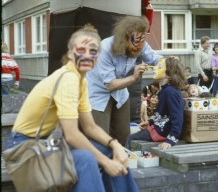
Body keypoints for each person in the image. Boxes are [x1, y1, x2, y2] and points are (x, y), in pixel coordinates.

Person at [7, 24, 140, 192]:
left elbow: (90, 127)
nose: (86, 55)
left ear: (97, 57)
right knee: (85, 159)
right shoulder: (68, 79)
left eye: (92, 51)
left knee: (108, 150)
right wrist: (107, 163)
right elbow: (72, 135)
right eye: (80, 50)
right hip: (26, 148)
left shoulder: (81, 81)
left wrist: (116, 145)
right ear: (70, 54)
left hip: (49, 143)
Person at [86, 16, 163, 146]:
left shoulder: (140, 41)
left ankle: (119, 162)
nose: (140, 46)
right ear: (124, 38)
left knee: (123, 135)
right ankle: (101, 165)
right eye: (136, 42)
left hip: (120, 94)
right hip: (98, 94)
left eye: (142, 40)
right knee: (100, 138)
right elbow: (110, 85)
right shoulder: (104, 49)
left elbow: (154, 58)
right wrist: (133, 77)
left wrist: (167, 62)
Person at [125, 57, 186, 150]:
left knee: (130, 139)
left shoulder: (170, 92)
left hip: (162, 133)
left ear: (169, 75)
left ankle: (126, 163)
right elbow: (164, 115)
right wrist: (150, 122)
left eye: (159, 66)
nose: (154, 68)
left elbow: (177, 117)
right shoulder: (165, 90)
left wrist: (171, 139)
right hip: (159, 129)